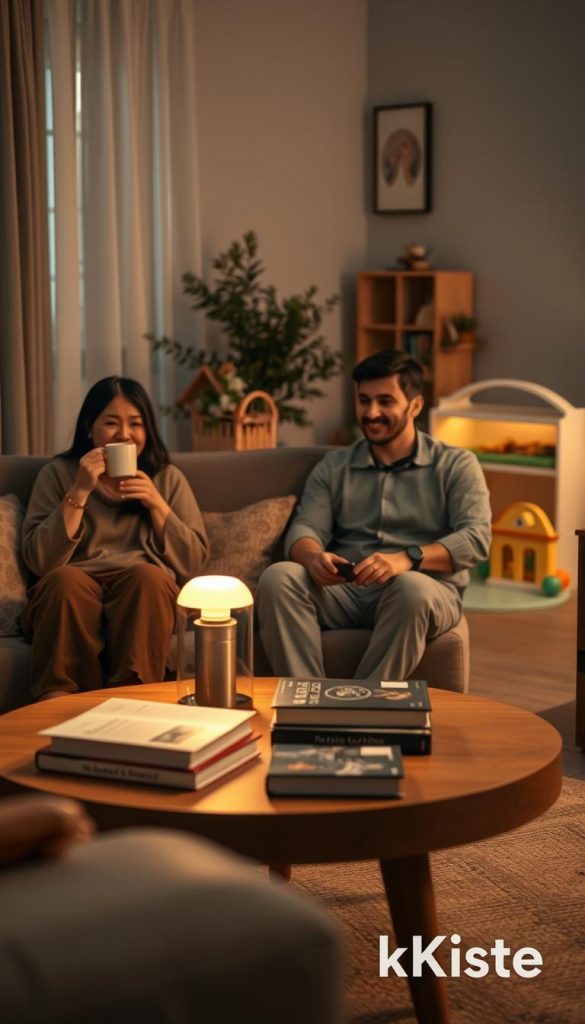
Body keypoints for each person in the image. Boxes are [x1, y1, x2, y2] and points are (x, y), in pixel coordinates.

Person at [256, 350, 491, 684]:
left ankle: (364, 709)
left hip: (423, 591)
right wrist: (312, 558)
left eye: (385, 401)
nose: (372, 412)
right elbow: (306, 527)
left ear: (415, 406)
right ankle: (309, 708)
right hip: (346, 591)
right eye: (364, 400)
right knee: (279, 577)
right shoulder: (334, 467)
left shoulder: (456, 465)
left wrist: (407, 559)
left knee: (412, 589)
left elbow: (476, 541)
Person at [20, 376, 209, 701]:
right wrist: (80, 489)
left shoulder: (166, 478)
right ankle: (58, 701)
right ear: (89, 429)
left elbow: (193, 563)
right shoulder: (58, 474)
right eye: (111, 423)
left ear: (147, 431)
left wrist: (156, 504)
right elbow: (39, 560)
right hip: (75, 584)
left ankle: (135, 698)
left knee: (148, 577)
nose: (124, 434)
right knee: (65, 580)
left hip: (141, 588)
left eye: (135, 424)